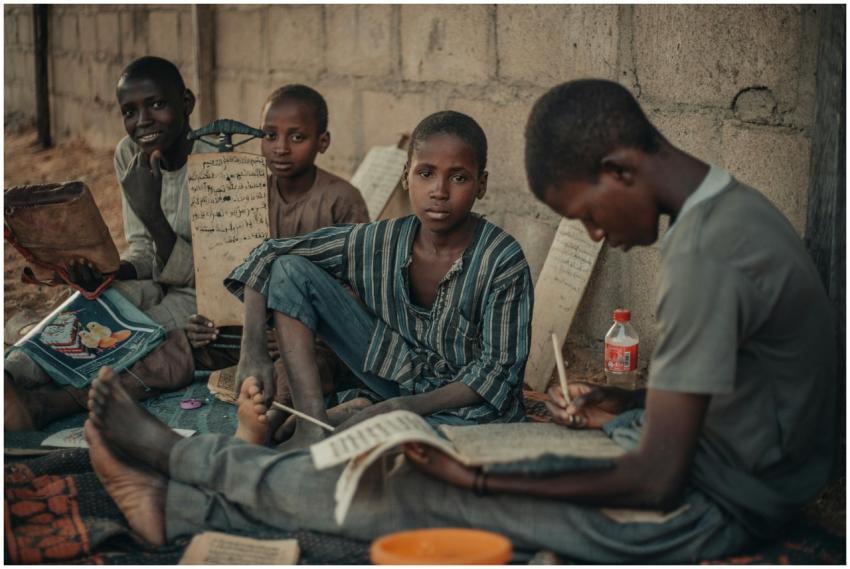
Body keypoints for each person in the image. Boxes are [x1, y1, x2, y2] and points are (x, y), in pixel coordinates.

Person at [82, 81, 834, 563]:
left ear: (621, 171)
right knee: (424, 465)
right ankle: (192, 490)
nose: (596, 233)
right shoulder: (733, 213)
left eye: (586, 212)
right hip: (698, 459)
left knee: (419, 492)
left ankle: (184, 476)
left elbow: (655, 478)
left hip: (711, 504)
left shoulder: (704, 256)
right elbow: (732, 397)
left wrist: (474, 478)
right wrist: (627, 401)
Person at [227, 110, 531, 448]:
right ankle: (312, 424)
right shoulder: (381, 240)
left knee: (406, 452)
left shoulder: (501, 260)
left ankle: (364, 416)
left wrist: (401, 407)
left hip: (468, 410)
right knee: (289, 270)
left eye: (458, 177)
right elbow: (270, 254)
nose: (440, 191)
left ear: (481, 185)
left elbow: (497, 372)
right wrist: (252, 350)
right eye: (426, 174)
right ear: (406, 177)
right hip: (399, 377)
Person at [4, 56, 210, 430]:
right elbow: (143, 250)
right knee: (85, 310)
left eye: (157, 104)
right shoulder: (129, 153)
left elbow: (212, 276)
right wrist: (109, 272)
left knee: (127, 337)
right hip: (155, 279)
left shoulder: (217, 162)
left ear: (187, 103)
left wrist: (153, 214)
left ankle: (42, 404)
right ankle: (12, 374)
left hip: (200, 295)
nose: (143, 120)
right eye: (130, 111)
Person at [186, 84, 370, 436]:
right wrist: (207, 319)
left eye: (297, 137)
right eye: (270, 135)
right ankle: (79, 396)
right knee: (176, 347)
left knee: (292, 375)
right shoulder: (247, 195)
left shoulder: (341, 199)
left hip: (317, 342)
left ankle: (265, 428)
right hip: (252, 336)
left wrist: (296, 331)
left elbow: (357, 293)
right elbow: (228, 273)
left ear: (323, 142)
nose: (281, 148)